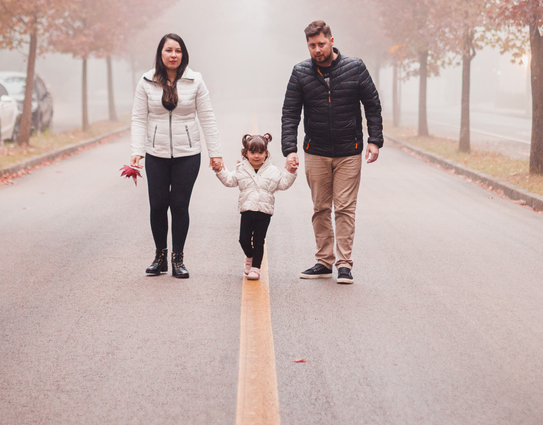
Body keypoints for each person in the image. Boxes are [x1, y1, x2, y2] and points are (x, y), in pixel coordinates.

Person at [281, 20, 382, 284]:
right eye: (312, 45)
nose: (317, 50)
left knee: (345, 208)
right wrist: (289, 149)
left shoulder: (355, 67)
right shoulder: (301, 72)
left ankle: (344, 264)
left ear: (332, 41)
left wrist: (375, 140)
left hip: (349, 150)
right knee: (320, 208)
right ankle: (324, 262)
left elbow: (372, 105)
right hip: (316, 151)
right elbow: (290, 113)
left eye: (321, 44)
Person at [131, 33, 222, 279]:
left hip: (188, 154)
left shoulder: (195, 81)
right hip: (156, 154)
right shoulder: (146, 81)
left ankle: (177, 259)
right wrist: (137, 151)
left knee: (179, 206)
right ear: (160, 54)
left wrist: (216, 153)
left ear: (184, 54)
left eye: (177, 51)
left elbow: (207, 117)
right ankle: (159, 256)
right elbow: (139, 118)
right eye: (168, 50)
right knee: (158, 206)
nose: (173, 55)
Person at [213, 133, 298, 280]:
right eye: (252, 152)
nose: (256, 156)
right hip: (247, 210)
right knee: (243, 239)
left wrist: (290, 172)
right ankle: (250, 256)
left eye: (260, 152)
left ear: (266, 153)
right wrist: (219, 170)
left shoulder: (274, 171)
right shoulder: (241, 169)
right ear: (246, 153)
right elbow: (229, 181)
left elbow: (283, 184)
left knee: (259, 240)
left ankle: (256, 268)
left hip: (264, 212)